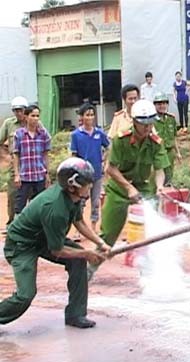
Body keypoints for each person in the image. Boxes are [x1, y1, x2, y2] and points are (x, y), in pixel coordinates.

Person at [0, 157, 111, 329]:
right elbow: (57, 250)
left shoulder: (72, 197)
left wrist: (100, 242)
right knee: (25, 295)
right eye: (87, 184)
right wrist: (87, 254)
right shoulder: (55, 208)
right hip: (22, 245)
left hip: (45, 236)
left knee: (78, 260)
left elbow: (79, 222)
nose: (91, 187)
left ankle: (76, 314)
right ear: (72, 185)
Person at [87, 99, 170, 281]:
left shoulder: (156, 142)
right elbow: (111, 169)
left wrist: (160, 186)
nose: (148, 128)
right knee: (108, 233)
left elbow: (160, 169)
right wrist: (128, 188)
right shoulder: (120, 140)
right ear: (135, 122)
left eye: (151, 124)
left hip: (143, 188)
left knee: (150, 231)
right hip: (118, 188)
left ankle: (147, 271)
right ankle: (90, 268)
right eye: (144, 124)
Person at [70, 103, 110, 233]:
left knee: (96, 201)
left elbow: (109, 146)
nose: (90, 117)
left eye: (92, 115)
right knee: (80, 201)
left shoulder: (99, 132)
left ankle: (93, 226)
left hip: (97, 172)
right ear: (82, 117)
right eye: (87, 115)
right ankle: (78, 228)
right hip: (83, 174)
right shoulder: (76, 135)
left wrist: (105, 159)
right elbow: (74, 154)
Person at [13, 105, 51, 215]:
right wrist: (17, 174)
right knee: (20, 205)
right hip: (25, 175)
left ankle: (38, 229)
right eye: (32, 115)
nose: (35, 118)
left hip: (39, 174)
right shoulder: (19, 134)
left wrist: (47, 173)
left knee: (40, 204)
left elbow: (45, 154)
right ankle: (17, 228)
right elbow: (16, 155)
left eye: (37, 116)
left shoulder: (43, 134)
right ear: (26, 117)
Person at [0, 96, 28, 233]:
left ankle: (29, 223)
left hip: (30, 164)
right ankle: (11, 223)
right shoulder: (9, 124)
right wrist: (6, 157)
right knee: (13, 195)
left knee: (32, 194)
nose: (18, 113)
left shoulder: (33, 122)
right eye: (15, 110)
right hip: (14, 165)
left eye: (20, 110)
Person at [153, 92, 182, 185]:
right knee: (157, 179)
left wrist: (178, 153)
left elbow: (173, 138)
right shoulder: (151, 120)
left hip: (169, 153)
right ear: (155, 105)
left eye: (164, 103)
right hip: (156, 153)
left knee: (169, 178)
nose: (162, 106)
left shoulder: (171, 119)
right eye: (159, 104)